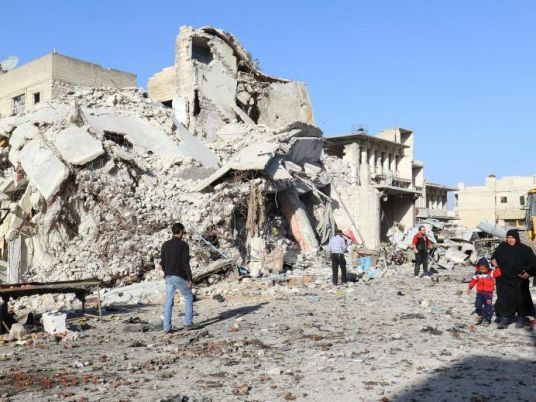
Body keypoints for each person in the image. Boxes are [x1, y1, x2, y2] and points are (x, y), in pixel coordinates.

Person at [491, 229, 536, 329]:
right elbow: (494, 256)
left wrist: (529, 273)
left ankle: (521, 317)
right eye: (508, 237)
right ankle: (505, 317)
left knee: (521, 299)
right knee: (504, 298)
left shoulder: (525, 249)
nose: (510, 240)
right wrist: (493, 260)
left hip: (519, 279)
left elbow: (534, 263)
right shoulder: (502, 247)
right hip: (503, 279)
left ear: (517, 238)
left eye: (512, 238)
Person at [159, 222, 195, 332]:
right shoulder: (184, 245)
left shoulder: (165, 245)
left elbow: (162, 263)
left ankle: (166, 327)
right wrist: (189, 279)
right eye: (183, 232)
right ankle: (188, 323)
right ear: (180, 231)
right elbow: (185, 263)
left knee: (169, 301)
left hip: (168, 276)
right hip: (178, 275)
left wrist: (166, 272)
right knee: (189, 297)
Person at [467, 257, 501, 327]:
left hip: (488, 294)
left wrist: (497, 266)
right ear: (478, 268)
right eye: (480, 269)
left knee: (488, 307)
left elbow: (498, 273)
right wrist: (470, 288)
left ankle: (487, 320)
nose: (482, 270)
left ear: (487, 267)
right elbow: (473, 281)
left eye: (483, 269)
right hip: (479, 293)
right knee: (477, 305)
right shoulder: (477, 274)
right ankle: (481, 315)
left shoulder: (491, 273)